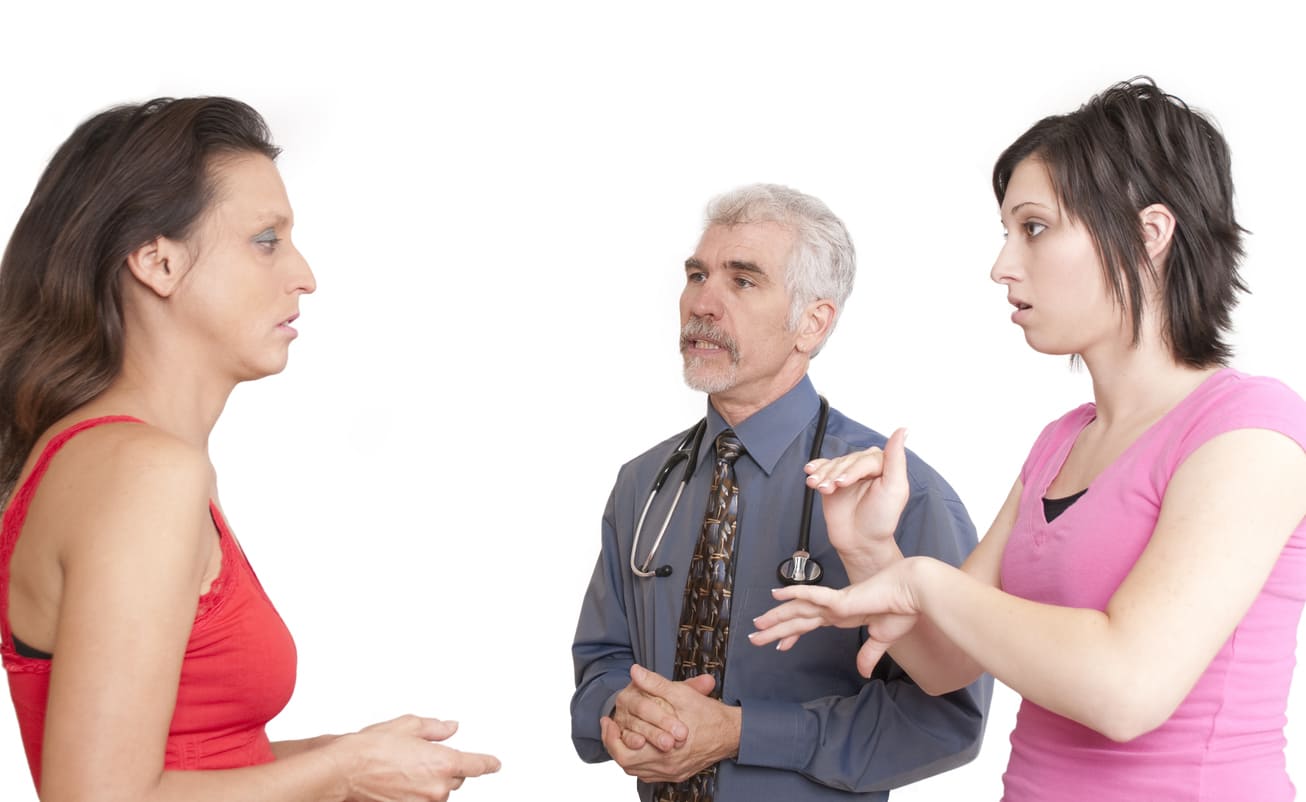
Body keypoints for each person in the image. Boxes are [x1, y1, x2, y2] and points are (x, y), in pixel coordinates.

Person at [751, 78, 1306, 801]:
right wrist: (871, 550)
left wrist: (923, 579)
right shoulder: (1060, 443)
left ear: (1150, 234)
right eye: (1007, 232)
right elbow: (948, 663)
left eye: (1035, 228)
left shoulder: (1250, 432)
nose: (1002, 265)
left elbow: (1127, 691)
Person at [0, 98, 499, 801]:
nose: (304, 274)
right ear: (157, 261)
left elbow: (186, 756)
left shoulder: (113, 460)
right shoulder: (143, 476)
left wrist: (344, 760)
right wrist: (343, 770)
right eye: (266, 239)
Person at [570, 183, 991, 802]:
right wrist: (622, 710)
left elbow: (946, 718)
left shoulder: (897, 493)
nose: (702, 303)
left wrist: (743, 734)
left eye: (742, 281)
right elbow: (599, 666)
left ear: (812, 323)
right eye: (696, 274)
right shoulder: (643, 483)